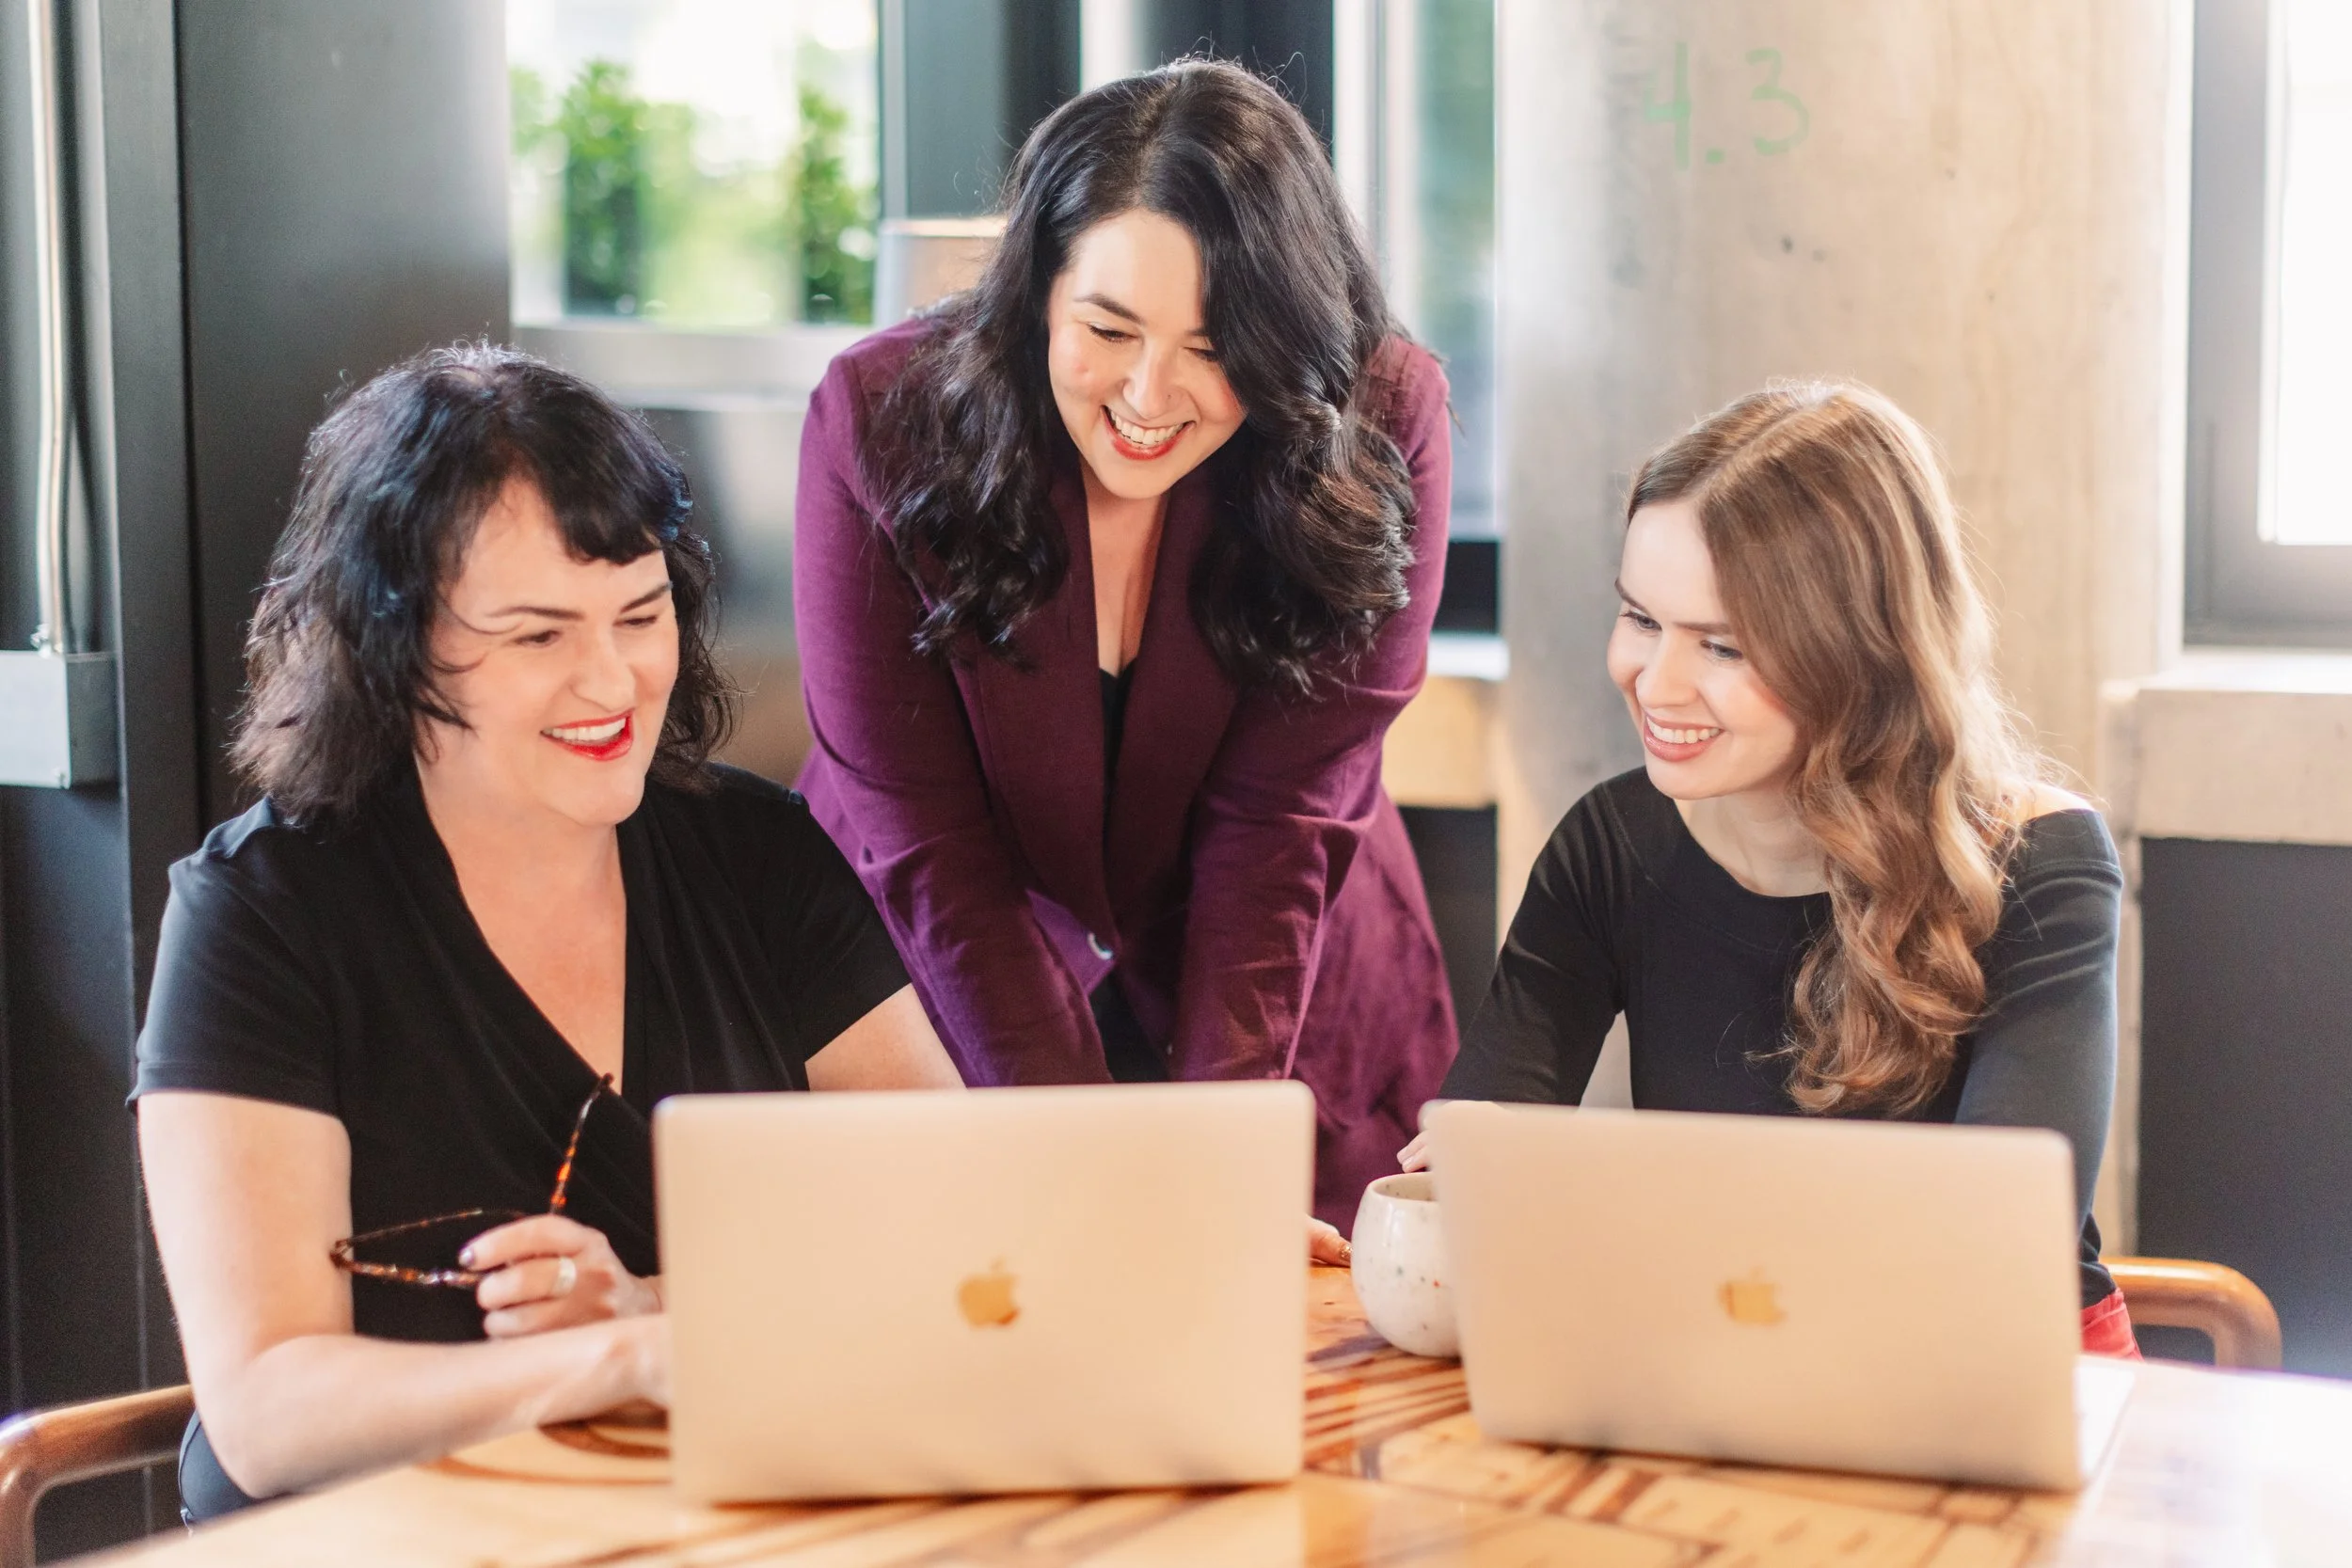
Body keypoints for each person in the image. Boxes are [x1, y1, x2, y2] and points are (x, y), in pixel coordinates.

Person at [134, 343, 966, 1520]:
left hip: (706, 1521)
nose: (613, 679)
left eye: (641, 613)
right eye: (537, 636)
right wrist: (618, 1362)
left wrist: (655, 1307)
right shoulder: (261, 914)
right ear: (396, 642)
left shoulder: (759, 856)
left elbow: (963, 1227)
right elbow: (269, 1408)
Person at [794, 60, 1457, 1233]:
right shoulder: (883, 420)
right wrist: (1089, 1165)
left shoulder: (1379, 419)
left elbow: (1283, 823)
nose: (1153, 393)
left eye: (1218, 347)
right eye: (1107, 327)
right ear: (1036, 289)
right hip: (962, 983)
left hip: (1270, 987)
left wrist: (1214, 1164)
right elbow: (929, 844)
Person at [1415, 382, 2138, 1356]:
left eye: (1720, 645)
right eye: (1639, 617)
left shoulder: (2037, 862)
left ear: (1858, 653)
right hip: (1728, 1354)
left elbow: (1999, 1254)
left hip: (1989, 1376)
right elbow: (1468, 1175)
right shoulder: (1611, 845)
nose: (1654, 681)